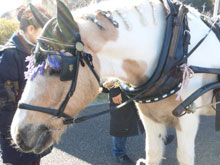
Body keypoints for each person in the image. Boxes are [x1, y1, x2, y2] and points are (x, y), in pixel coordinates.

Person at [0, 5, 52, 165]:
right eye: (44, 31)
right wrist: (12, 136)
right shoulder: (10, 55)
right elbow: (4, 103)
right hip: (19, 133)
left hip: (36, 128)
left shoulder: (36, 51)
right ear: (30, 28)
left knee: (35, 161)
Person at [102, 80, 175, 165]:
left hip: (140, 85)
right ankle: (119, 153)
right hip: (119, 87)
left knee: (150, 114)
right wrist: (114, 90)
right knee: (121, 122)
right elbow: (109, 69)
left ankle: (159, 138)